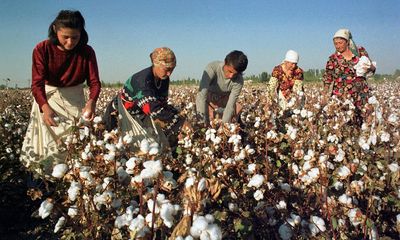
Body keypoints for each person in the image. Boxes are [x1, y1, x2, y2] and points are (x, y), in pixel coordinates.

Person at [20, 10, 101, 176]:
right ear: (55, 30)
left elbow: (94, 82)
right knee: (44, 146)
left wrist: (92, 101)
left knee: (75, 143)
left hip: (75, 100)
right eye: (65, 37)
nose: (70, 42)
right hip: (48, 99)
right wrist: (44, 107)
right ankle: (43, 186)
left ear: (81, 34)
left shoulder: (87, 52)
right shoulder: (42, 49)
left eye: (75, 37)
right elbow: (37, 84)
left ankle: (72, 186)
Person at [103, 47, 184, 152]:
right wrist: (179, 123)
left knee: (156, 147)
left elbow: (162, 104)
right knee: (127, 151)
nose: (169, 73)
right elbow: (154, 110)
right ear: (156, 64)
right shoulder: (142, 80)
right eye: (167, 69)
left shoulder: (163, 79)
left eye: (172, 69)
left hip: (139, 115)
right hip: (119, 116)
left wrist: (178, 119)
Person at [322, 28, 376, 109]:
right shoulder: (332, 59)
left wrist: (370, 67)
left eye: (340, 43)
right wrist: (324, 94)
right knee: (345, 118)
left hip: (361, 95)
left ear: (347, 42)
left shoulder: (360, 51)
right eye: (335, 44)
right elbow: (328, 78)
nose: (338, 46)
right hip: (342, 97)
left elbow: (372, 68)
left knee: (363, 118)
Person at [195, 50, 248, 125]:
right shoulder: (212, 68)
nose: (231, 76)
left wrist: (224, 126)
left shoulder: (239, 80)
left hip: (224, 102)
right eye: (230, 71)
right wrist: (201, 122)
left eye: (235, 74)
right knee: (206, 122)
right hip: (209, 100)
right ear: (225, 62)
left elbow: (230, 105)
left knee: (235, 114)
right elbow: (201, 95)